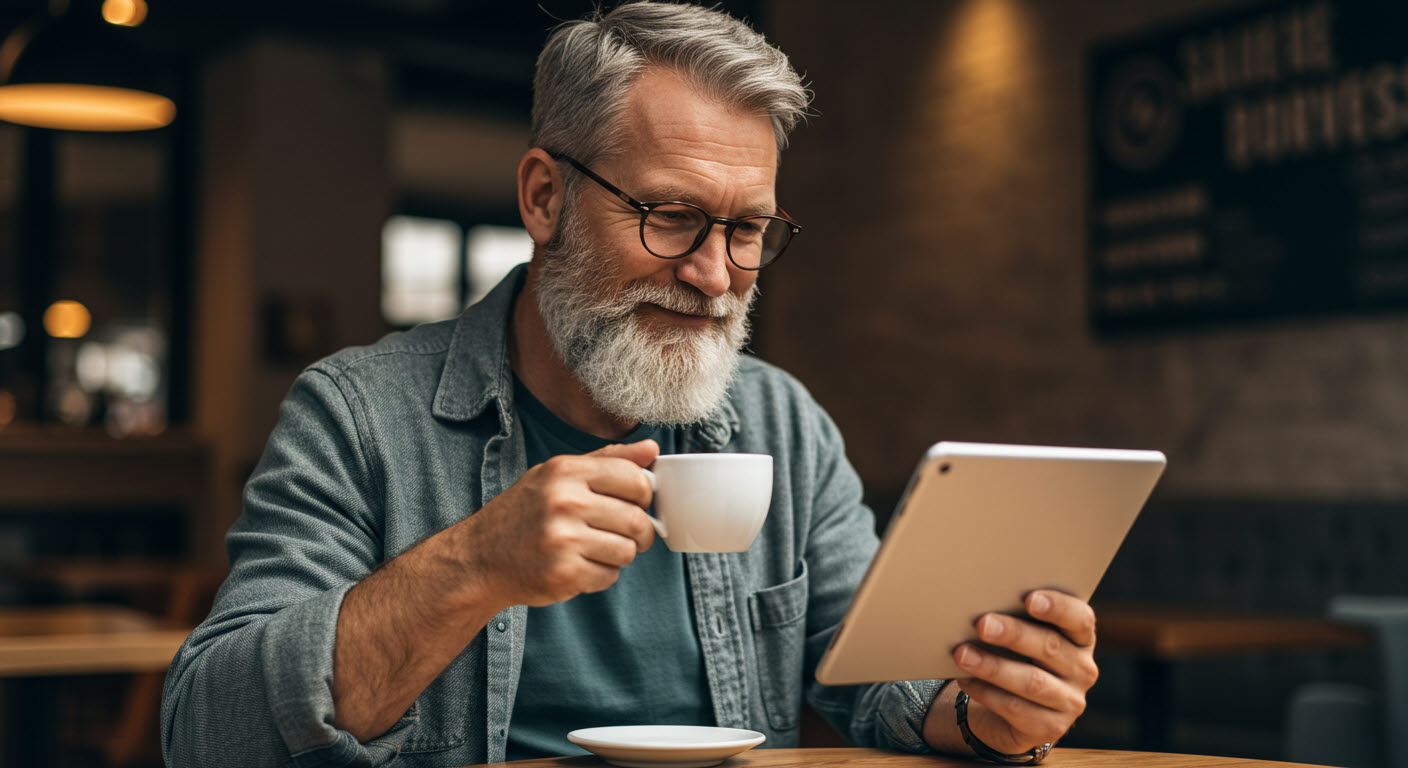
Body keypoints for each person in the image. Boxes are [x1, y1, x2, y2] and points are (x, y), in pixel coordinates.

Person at [161, 3, 1099, 766]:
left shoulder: (782, 423)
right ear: (543, 197)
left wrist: (988, 709)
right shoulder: (358, 416)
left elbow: (877, 680)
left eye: (746, 230)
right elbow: (209, 732)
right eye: (672, 215)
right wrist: (475, 565)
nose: (714, 274)